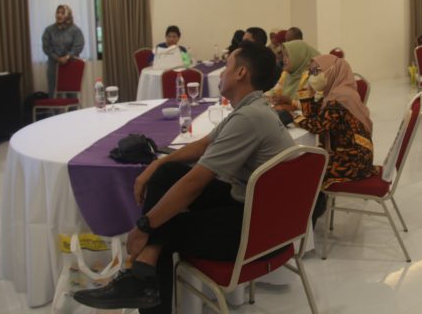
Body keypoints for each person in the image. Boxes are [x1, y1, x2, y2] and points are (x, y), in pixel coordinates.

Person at [72, 42, 294, 312]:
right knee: (167, 174)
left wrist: (143, 226)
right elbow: (202, 145)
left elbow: (196, 181)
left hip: (259, 231)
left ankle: (142, 281)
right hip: (264, 212)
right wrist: (158, 163)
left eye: (227, 66)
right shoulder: (252, 108)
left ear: (241, 73)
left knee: (163, 226)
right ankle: (142, 277)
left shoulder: (248, 117)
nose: (221, 73)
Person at [288, 54, 378, 188]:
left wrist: (294, 117)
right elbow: (312, 115)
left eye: (316, 71)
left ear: (333, 71)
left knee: (305, 167)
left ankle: (316, 199)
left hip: (353, 160)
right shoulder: (335, 93)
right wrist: (308, 90)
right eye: (310, 72)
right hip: (356, 155)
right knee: (309, 159)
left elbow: (317, 126)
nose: (312, 76)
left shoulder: (339, 98)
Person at [41, 4, 84, 97]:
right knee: (53, 93)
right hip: (54, 65)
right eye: (57, 12)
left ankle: (72, 107)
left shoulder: (75, 30)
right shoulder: (49, 30)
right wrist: (57, 58)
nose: (59, 15)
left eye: (62, 13)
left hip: (71, 64)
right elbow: (46, 47)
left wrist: (67, 57)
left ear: (68, 15)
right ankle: (54, 106)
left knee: (71, 94)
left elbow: (78, 46)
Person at [268, 40, 319, 111]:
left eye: (287, 55)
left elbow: (310, 107)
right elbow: (273, 92)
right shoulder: (286, 74)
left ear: (299, 56)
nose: (284, 59)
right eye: (284, 55)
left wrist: (290, 101)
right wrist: (270, 98)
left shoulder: (312, 76)